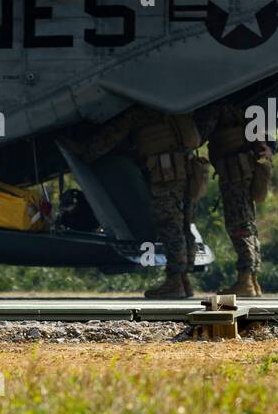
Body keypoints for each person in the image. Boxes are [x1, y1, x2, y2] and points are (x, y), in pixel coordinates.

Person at [72, 106, 204, 299]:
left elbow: (112, 136)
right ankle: (184, 281)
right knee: (184, 226)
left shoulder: (142, 112)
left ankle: (175, 281)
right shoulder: (180, 110)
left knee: (170, 226)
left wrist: (85, 152)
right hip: (190, 173)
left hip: (166, 175)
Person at [196, 101, 272, 297]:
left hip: (234, 173)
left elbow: (198, 136)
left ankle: (245, 281)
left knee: (239, 226)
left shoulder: (219, 107)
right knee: (247, 225)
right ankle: (252, 280)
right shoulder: (246, 110)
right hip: (246, 171)